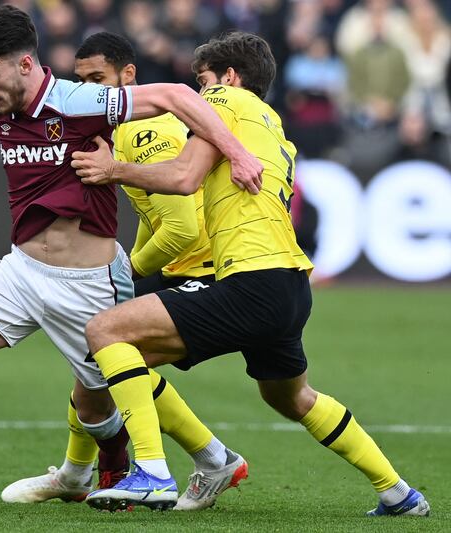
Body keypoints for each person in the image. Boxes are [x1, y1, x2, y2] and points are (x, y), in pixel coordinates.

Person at [0, 5, 261, 499]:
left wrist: (237, 152)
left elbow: (175, 95)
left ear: (25, 65)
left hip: (90, 283)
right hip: (20, 273)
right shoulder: (2, 110)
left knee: (100, 407)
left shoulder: (78, 101)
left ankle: (136, 466)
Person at [72, 32, 431, 517]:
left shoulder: (224, 100)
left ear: (229, 78)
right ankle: (397, 492)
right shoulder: (273, 124)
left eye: (202, 83)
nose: (197, 96)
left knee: (106, 331)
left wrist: (113, 169)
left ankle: (153, 473)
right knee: (294, 398)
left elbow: (183, 177)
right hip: (290, 284)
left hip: (250, 280)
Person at [0, 32, 247, 510]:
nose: (89, 88)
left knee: (104, 351)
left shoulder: (136, 129)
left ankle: (135, 468)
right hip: (191, 264)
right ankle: (85, 472)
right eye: (82, 79)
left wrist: (126, 273)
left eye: (99, 79)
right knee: (96, 361)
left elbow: (178, 227)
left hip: (197, 268)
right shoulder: (107, 126)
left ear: (128, 77)